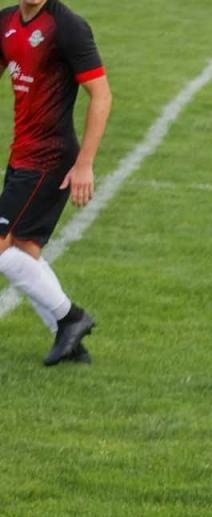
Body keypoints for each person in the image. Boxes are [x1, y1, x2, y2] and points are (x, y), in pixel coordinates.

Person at [0, 0, 109, 366]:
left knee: (2, 249)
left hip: (49, 158)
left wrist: (86, 164)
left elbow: (102, 95)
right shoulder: (5, 22)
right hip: (21, 155)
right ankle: (70, 342)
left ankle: (70, 317)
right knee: (25, 252)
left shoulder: (67, 27)